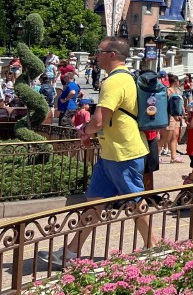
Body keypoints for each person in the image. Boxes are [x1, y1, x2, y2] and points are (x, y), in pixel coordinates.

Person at [42, 38, 154, 268]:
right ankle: (71, 252)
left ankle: (154, 246)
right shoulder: (125, 77)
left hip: (123, 152)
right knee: (95, 201)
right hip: (112, 151)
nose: (96, 55)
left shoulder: (114, 81)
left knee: (135, 201)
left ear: (111, 54)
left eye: (99, 51)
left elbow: (100, 119)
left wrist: (85, 130)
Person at [162, 75, 184, 164]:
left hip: (177, 116)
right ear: (176, 81)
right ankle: (156, 155)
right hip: (170, 115)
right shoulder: (168, 91)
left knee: (175, 136)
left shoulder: (177, 91)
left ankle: (173, 157)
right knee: (166, 137)